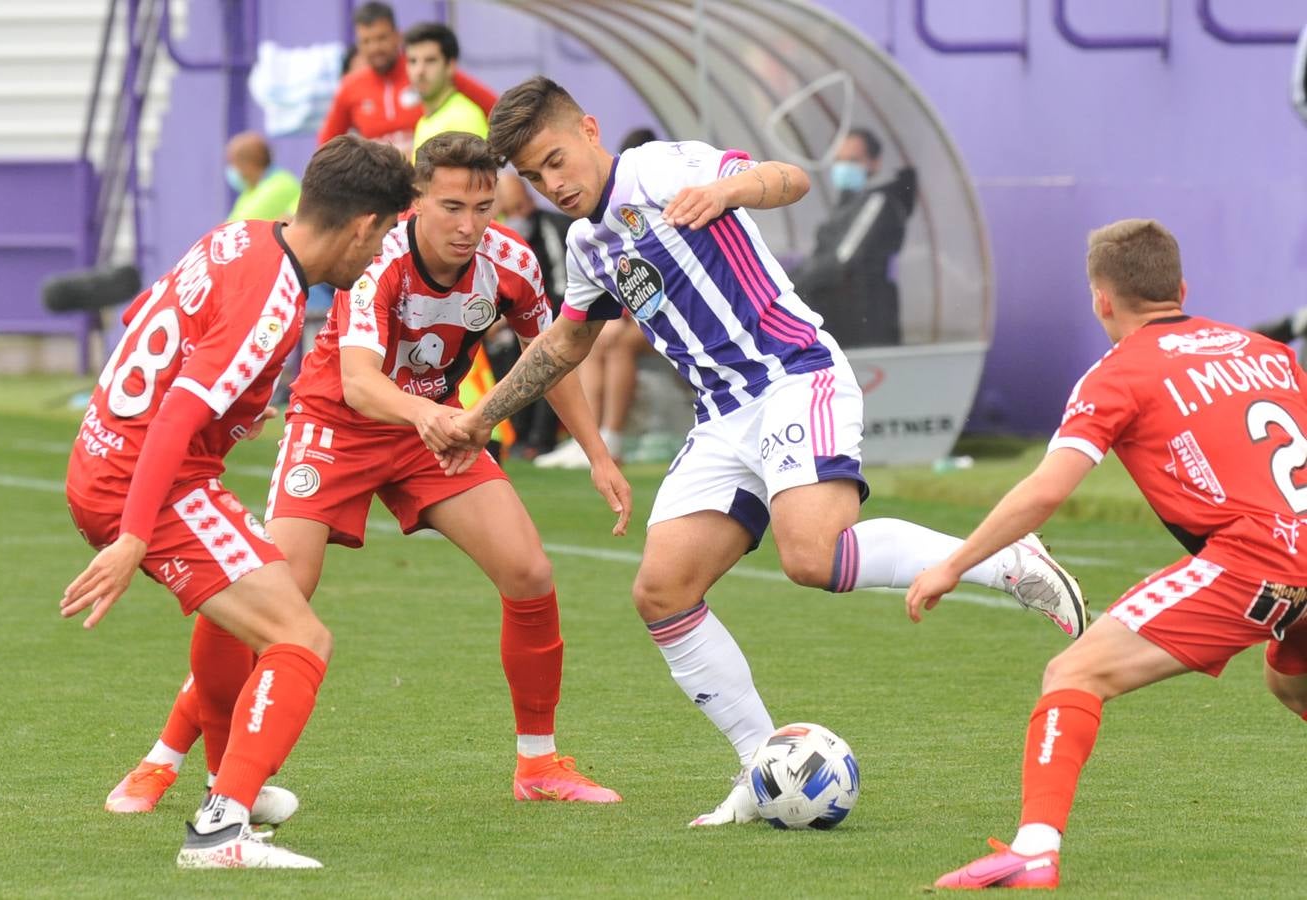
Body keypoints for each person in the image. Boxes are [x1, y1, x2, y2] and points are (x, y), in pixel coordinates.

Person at [436, 76, 1088, 827]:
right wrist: (481, 418)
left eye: (555, 160)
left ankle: (1005, 559)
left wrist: (729, 190)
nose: (552, 184)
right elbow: (566, 342)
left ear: (588, 129)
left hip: (791, 375)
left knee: (812, 557)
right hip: (721, 417)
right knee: (662, 591)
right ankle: (760, 765)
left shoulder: (658, 168)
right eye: (532, 176)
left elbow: (791, 178)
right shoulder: (587, 245)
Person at [101, 131, 628, 816]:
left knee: (529, 572)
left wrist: (597, 454)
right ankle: (162, 758)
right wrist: (430, 415)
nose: (469, 226)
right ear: (416, 202)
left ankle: (539, 764)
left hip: (428, 436)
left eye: (483, 208)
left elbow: (548, 357)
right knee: (271, 599)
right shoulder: (379, 256)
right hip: (335, 428)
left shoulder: (512, 263)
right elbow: (358, 383)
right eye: (452, 207)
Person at [907, 219, 1307, 889]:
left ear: (1101, 300)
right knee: (1291, 680)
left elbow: (1046, 490)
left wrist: (953, 564)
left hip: (1257, 559)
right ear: (1181, 288)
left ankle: (1034, 850)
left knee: (1074, 673)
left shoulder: (1117, 374)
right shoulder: (1266, 351)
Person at [62, 135, 416, 868]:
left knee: (247, 618)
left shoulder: (239, 237)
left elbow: (144, 316)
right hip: (151, 484)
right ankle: (220, 832)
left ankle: (231, 786)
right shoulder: (276, 297)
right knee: (301, 639)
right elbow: (174, 419)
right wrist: (133, 536)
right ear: (361, 226)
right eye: (385, 233)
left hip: (108, 455)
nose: (382, 251)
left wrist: (228, 403)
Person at [533, 126, 657, 470]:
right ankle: (589, 440)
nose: (552, 185)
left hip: (662, 316)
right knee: (591, 338)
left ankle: (611, 438)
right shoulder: (597, 224)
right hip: (637, 314)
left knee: (616, 341)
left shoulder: (662, 192)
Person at [791, 128, 916, 347]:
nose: (843, 168)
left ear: (874, 163)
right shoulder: (848, 205)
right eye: (838, 160)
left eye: (852, 160)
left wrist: (790, 286)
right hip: (840, 326)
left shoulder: (878, 202)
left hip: (866, 328)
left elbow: (841, 260)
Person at [317, 2, 495, 152]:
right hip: (379, 179)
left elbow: (495, 109)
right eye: (366, 41)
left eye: (381, 38)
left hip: (431, 173)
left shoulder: (425, 69)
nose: (374, 48)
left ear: (397, 36)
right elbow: (326, 146)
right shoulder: (350, 86)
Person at [493, 172, 572, 457]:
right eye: (510, 210)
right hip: (514, 318)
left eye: (521, 205)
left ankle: (540, 439)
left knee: (544, 351)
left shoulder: (553, 228)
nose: (519, 215)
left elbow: (563, 289)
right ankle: (516, 434)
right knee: (503, 348)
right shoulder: (495, 238)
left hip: (555, 313)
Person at [406, 22, 489, 159]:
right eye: (412, 61)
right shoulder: (424, 121)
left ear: (450, 65)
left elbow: (482, 172)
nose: (419, 71)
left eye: (430, 60)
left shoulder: (465, 117)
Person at [223, 131, 301, 222]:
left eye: (232, 163)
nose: (231, 170)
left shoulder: (280, 186)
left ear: (248, 164)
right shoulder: (251, 188)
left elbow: (242, 225)